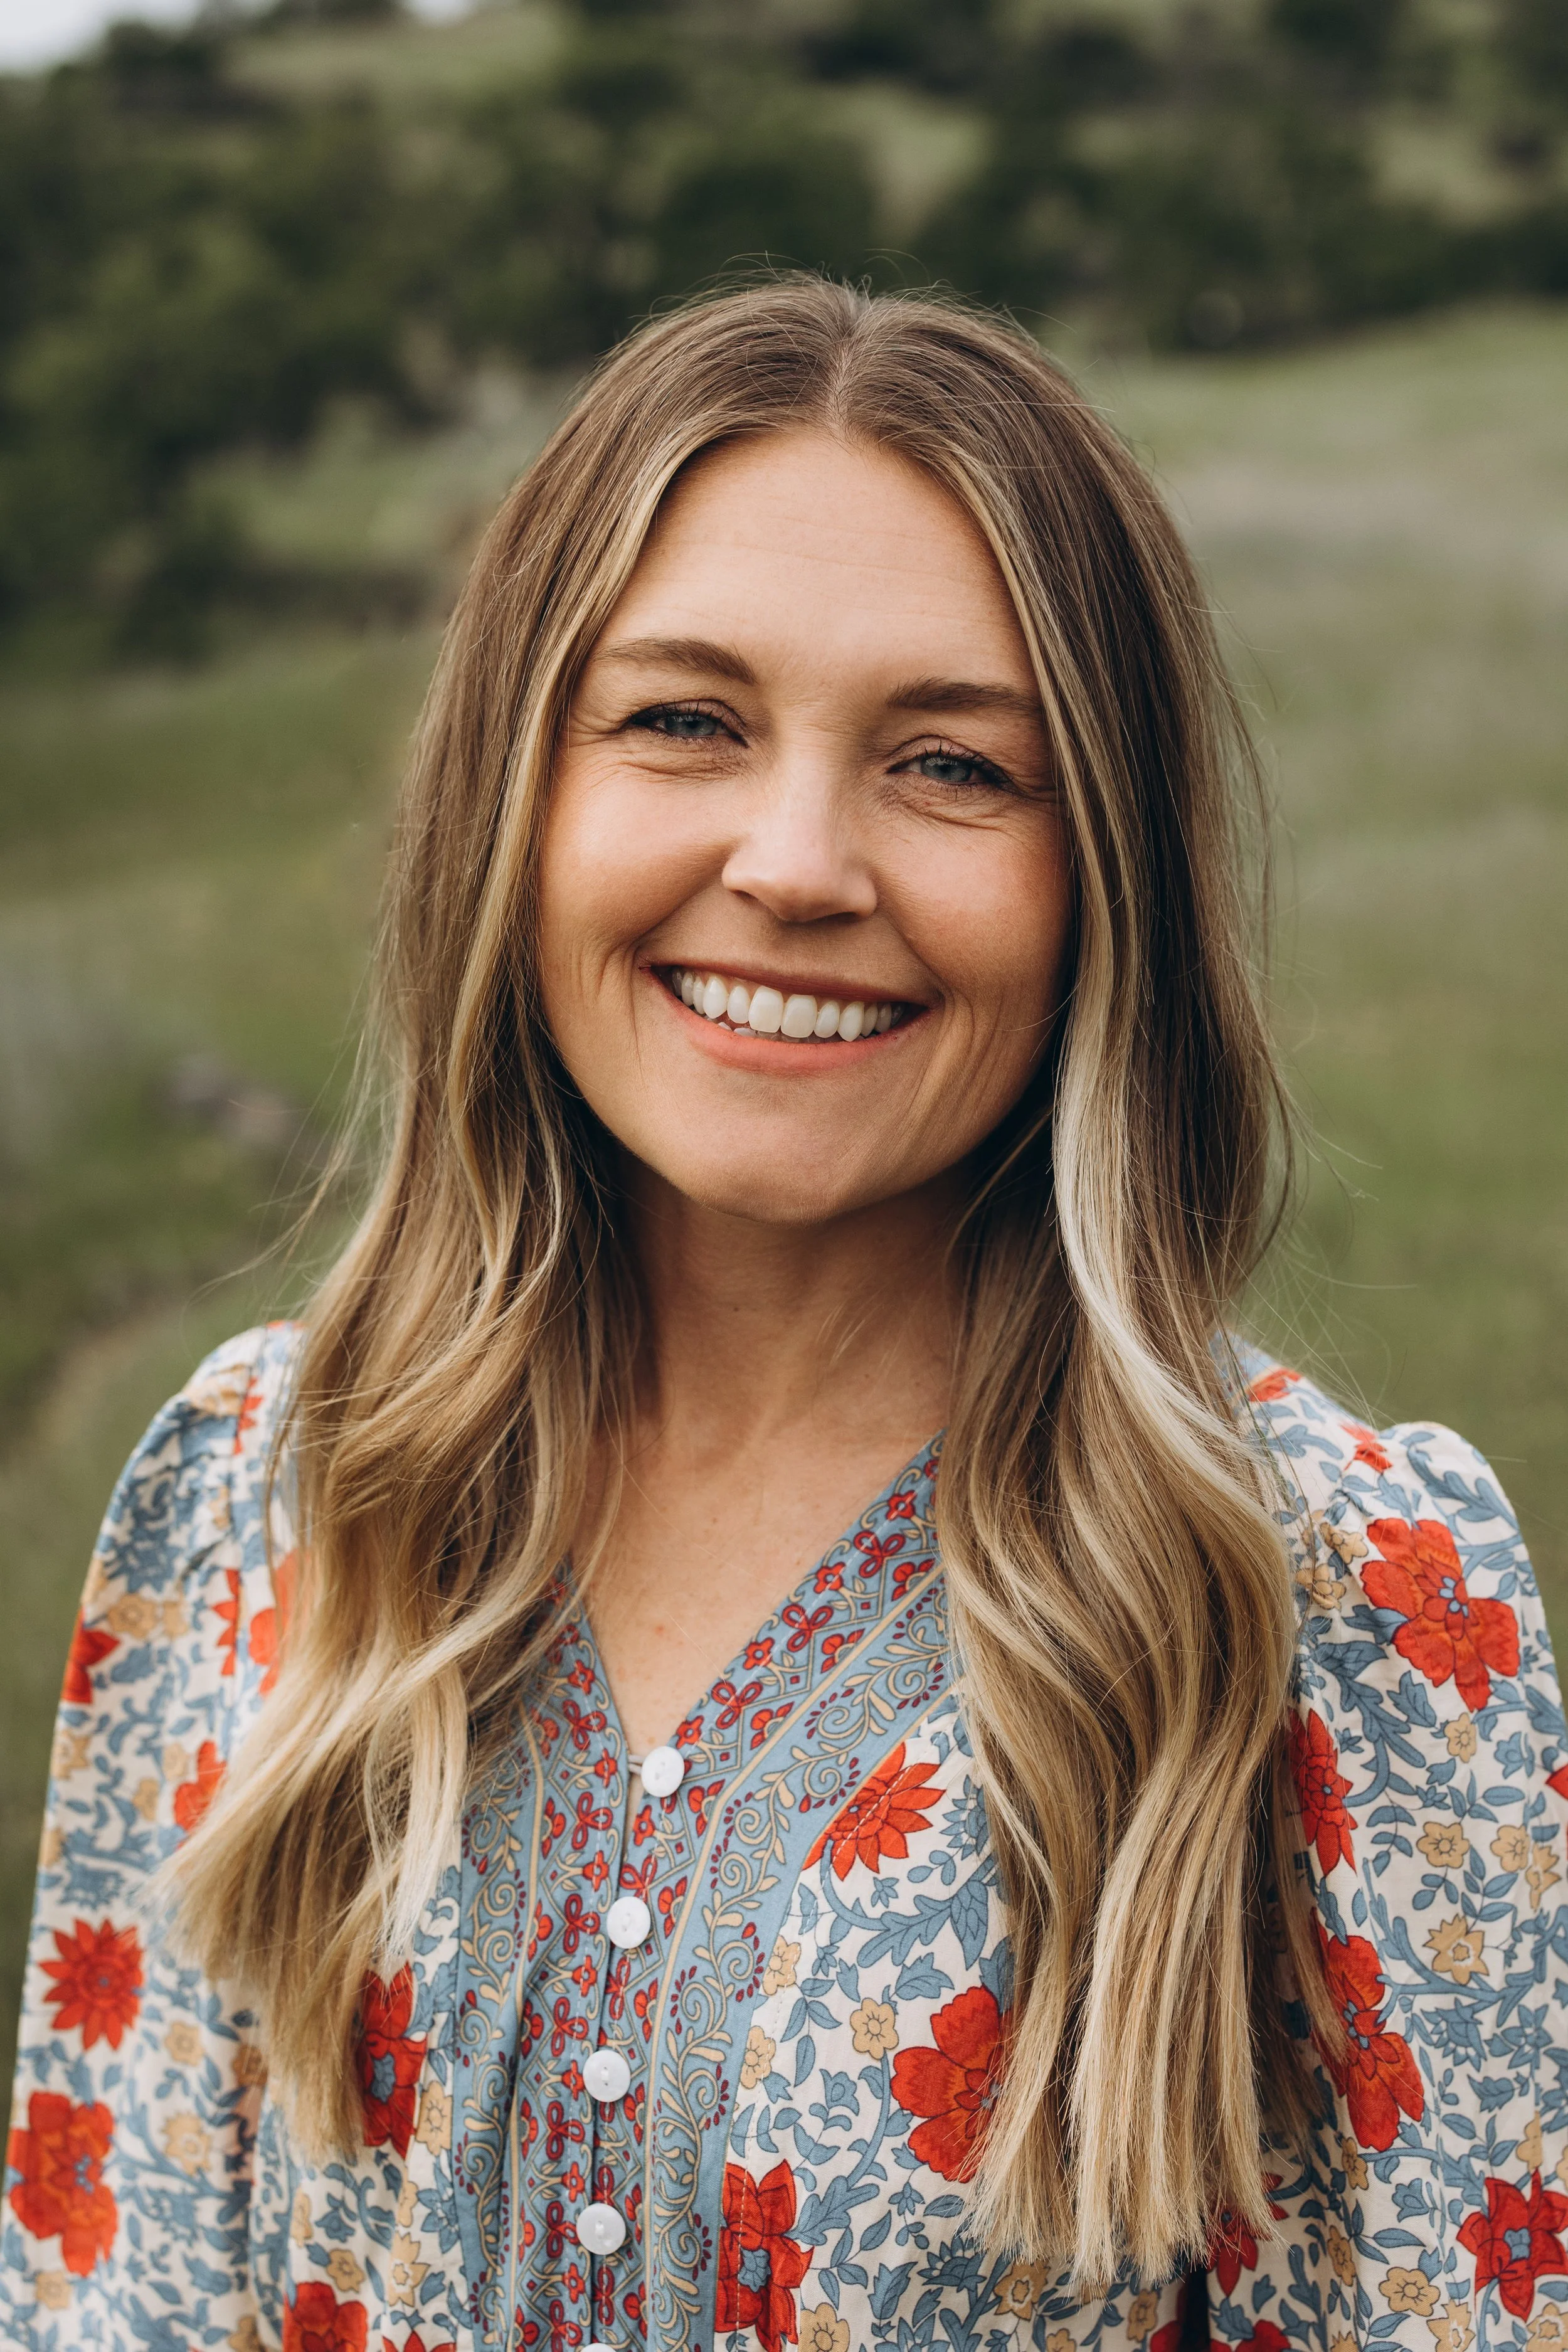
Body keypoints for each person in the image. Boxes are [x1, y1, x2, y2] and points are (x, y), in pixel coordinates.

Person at [4, 278, 1562, 2352]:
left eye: (949, 763)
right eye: (682, 721)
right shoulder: (260, 1495)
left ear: (1100, 871)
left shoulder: (1332, 1596)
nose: (799, 861)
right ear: (515, 799)